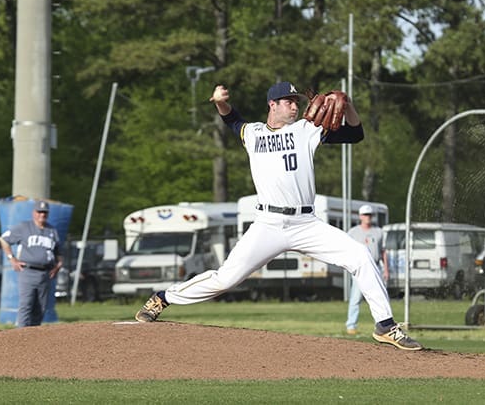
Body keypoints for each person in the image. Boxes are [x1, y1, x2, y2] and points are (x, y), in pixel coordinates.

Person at [135, 81, 423, 350]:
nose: (295, 106)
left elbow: (355, 134)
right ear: (272, 104)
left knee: (360, 256)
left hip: (306, 223)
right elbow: (232, 119)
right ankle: (163, 299)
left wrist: (347, 107)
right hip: (268, 224)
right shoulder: (254, 133)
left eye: (296, 102)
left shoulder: (307, 130)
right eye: (288, 101)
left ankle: (385, 325)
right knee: (225, 279)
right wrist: (220, 102)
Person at [0, 200, 63, 327]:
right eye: (39, 212)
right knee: (26, 305)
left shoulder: (52, 230)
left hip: (45, 273)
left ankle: (34, 340)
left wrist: (58, 265)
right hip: (28, 271)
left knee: (40, 307)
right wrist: (12, 258)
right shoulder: (24, 227)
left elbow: (58, 253)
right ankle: (21, 338)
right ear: (34, 213)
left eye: (44, 212)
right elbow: (3, 239)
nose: (42, 215)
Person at [345, 204, 387, 335]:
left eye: (369, 215)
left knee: (377, 297)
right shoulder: (353, 232)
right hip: (359, 268)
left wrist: (386, 269)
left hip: (375, 266)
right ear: (360, 216)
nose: (367, 217)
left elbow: (383, 251)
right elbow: (347, 250)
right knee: (356, 298)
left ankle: (381, 325)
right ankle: (351, 325)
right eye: (365, 215)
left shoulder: (378, 232)